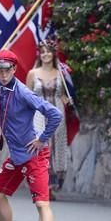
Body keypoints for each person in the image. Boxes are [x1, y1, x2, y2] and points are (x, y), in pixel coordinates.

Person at [0, 49, 62, 221]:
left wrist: (41, 139)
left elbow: (55, 114)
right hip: (16, 156)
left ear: (14, 69)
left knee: (41, 203)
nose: (3, 73)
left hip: (34, 154)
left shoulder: (23, 92)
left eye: (7, 69)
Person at [26, 40, 70, 199]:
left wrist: (67, 101)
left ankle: (53, 184)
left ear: (53, 54)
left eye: (48, 51)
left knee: (56, 147)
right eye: (42, 52)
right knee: (42, 146)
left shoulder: (61, 74)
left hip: (57, 113)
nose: (45, 54)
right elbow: (27, 96)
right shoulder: (32, 73)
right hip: (38, 115)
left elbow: (64, 94)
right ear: (40, 54)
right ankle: (43, 184)